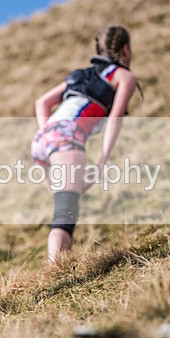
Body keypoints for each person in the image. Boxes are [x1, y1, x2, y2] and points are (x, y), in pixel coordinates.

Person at [31, 24, 139, 264]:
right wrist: (101, 163)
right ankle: (55, 273)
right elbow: (114, 120)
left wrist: (48, 134)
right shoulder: (124, 77)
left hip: (42, 141)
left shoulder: (80, 75)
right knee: (65, 212)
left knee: (66, 206)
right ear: (126, 49)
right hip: (65, 138)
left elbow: (42, 103)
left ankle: (62, 267)